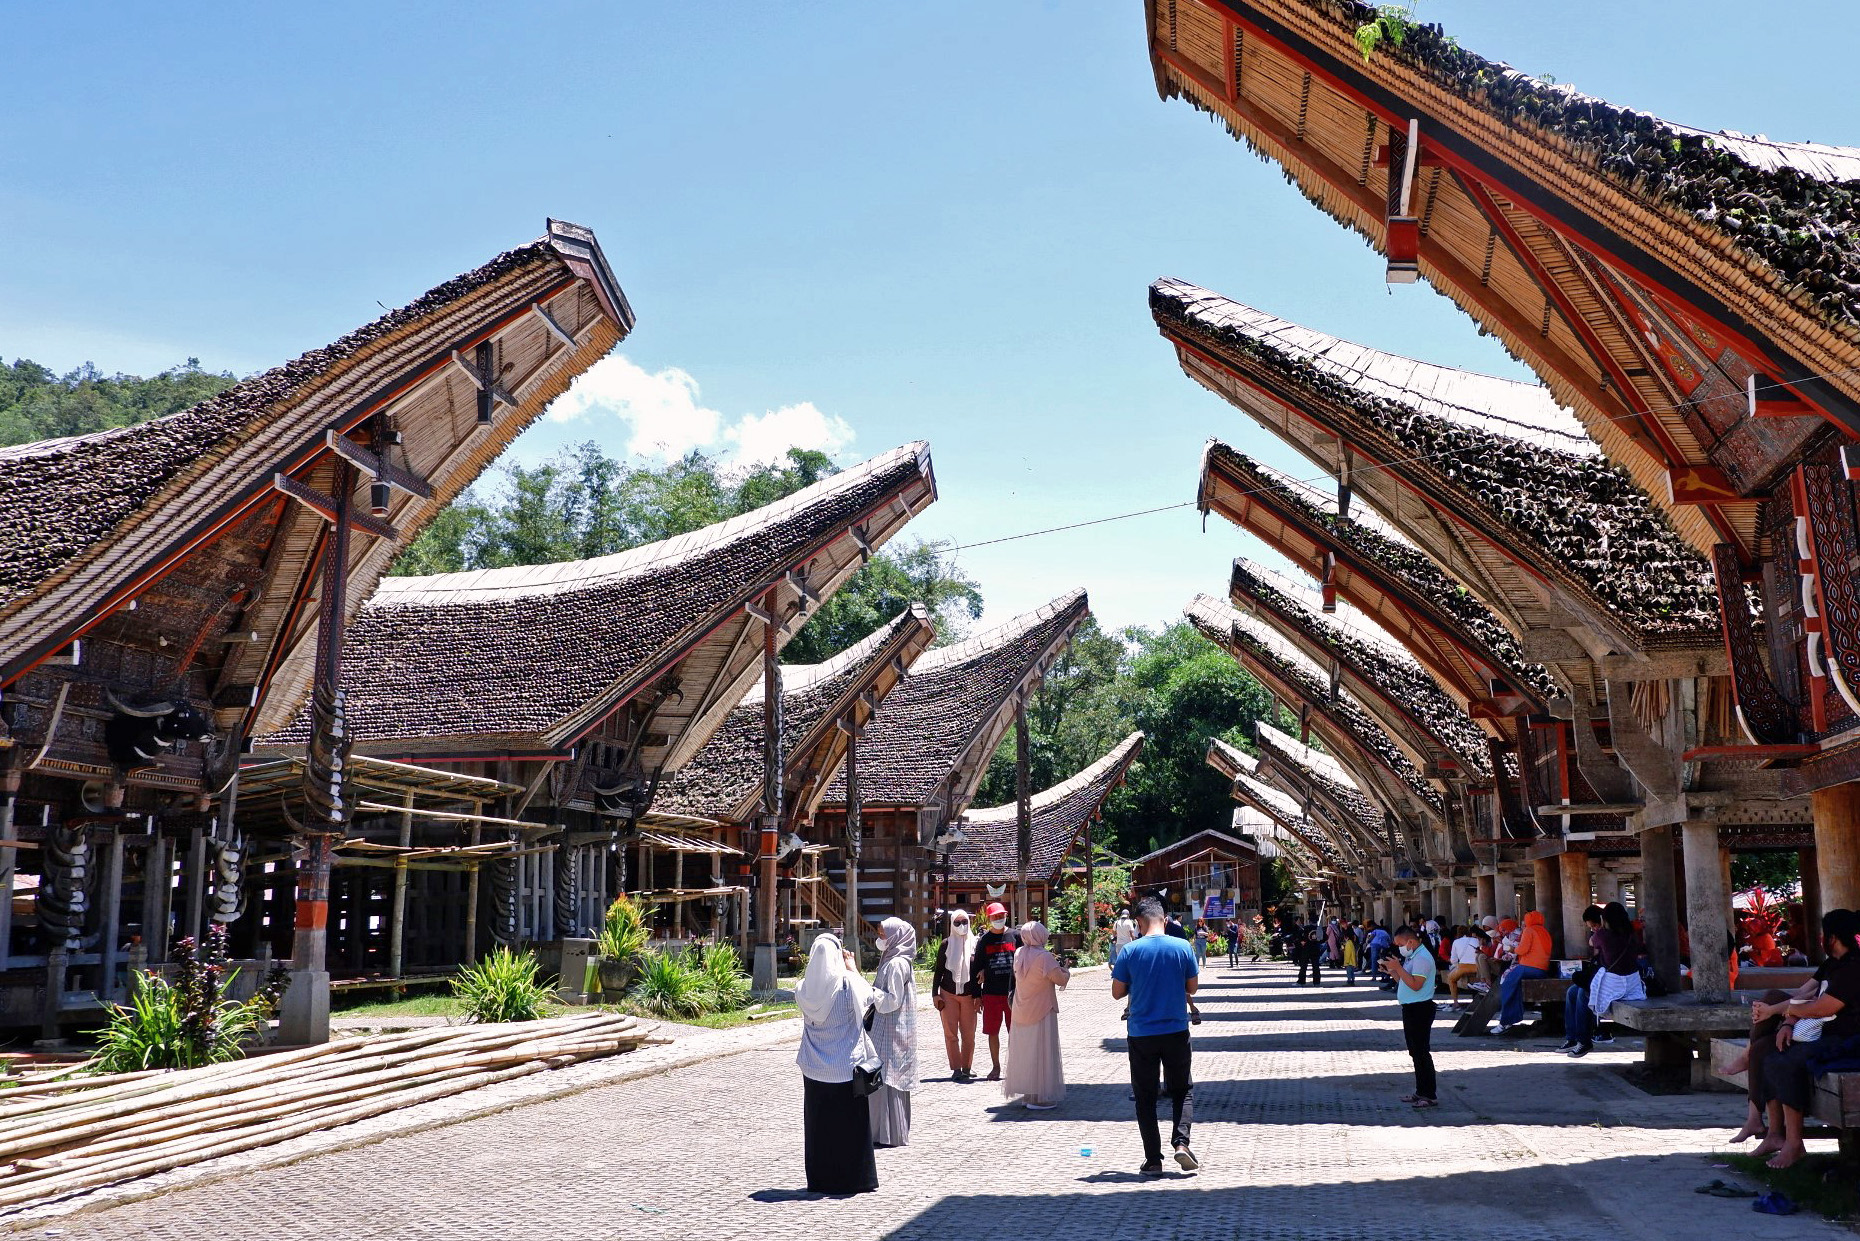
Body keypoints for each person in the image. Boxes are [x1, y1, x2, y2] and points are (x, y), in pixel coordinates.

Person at [1752, 909, 1860, 1168]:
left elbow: (1824, 1007)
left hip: (1846, 1039)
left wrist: (1786, 1011)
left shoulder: (1854, 966)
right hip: (1821, 1031)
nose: (1821, 938)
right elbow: (1804, 995)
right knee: (1771, 1052)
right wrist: (1787, 1021)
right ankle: (1775, 1133)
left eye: (1824, 934)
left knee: (1785, 1062)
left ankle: (1794, 1144)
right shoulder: (1831, 963)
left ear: (1832, 937)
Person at [1111, 896, 1199, 1175]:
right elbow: (1192, 988)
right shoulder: (1182, 947)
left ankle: (1153, 1160)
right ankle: (1181, 1144)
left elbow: (1117, 992)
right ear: (1164, 918)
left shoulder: (1130, 951)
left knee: (1145, 1096)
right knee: (1182, 1090)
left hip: (1141, 1033)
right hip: (1175, 1029)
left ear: (1138, 922)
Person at [794, 932, 879, 1195]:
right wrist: (852, 968)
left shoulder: (803, 989)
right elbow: (869, 999)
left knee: (820, 1128)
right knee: (851, 1127)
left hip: (814, 1067)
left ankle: (820, 1179)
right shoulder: (848, 985)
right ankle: (855, 1179)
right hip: (846, 1066)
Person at [1004, 921, 1071, 1109]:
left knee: (1026, 1053)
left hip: (1020, 1010)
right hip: (1042, 1010)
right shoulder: (1044, 957)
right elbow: (1059, 979)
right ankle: (1041, 1098)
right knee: (1042, 1053)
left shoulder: (1018, 953)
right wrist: (1065, 969)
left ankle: (1029, 1094)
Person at [1566, 902, 1644, 1057]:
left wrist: (1600, 929)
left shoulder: (1603, 935)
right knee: (1573, 991)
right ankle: (1574, 1039)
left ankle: (1583, 1041)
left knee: (1582, 993)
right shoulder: (1632, 934)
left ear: (1604, 919)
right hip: (1632, 987)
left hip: (1612, 987)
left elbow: (1591, 942)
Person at [867, 917, 918, 1146]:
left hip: (891, 1028)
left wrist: (868, 991)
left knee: (888, 1078)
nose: (880, 939)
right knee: (885, 1077)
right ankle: (883, 1132)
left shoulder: (897, 963)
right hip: (890, 1028)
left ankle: (888, 1133)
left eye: (883, 935)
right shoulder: (892, 959)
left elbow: (892, 1001)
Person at [1383, 924, 1439, 1109]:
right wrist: (1393, 972)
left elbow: (1416, 985)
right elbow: (1405, 982)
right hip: (1410, 1007)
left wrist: (1398, 967)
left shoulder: (1422, 958)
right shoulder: (1413, 956)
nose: (1399, 948)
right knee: (1415, 1052)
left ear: (1411, 942)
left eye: (1400, 944)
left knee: (1422, 1052)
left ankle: (1429, 1094)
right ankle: (1420, 1091)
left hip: (1420, 1008)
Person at [969, 901, 1017, 1082]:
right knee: (992, 1032)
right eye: (995, 916)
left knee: (1015, 1031)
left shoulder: (1015, 936)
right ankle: (996, 1066)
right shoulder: (984, 941)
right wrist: (976, 995)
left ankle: (1014, 1066)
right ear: (989, 918)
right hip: (991, 993)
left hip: (1013, 993)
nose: (999, 919)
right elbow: (976, 969)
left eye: (1001, 915)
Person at [931, 907, 980, 1081]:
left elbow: (981, 970)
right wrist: (935, 994)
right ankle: (956, 1068)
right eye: (957, 923)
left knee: (969, 1034)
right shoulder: (946, 944)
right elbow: (938, 971)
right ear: (952, 924)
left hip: (969, 995)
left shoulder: (976, 943)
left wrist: (979, 996)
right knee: (950, 1033)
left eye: (964, 922)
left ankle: (967, 1067)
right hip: (947, 993)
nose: (961, 926)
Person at [1496, 910, 1553, 1033]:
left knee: (1507, 984)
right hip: (1542, 968)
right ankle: (1511, 1016)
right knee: (1514, 986)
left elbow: (1522, 949)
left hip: (1529, 966)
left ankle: (1505, 1021)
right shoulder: (1544, 931)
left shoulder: (1529, 930)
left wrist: (1512, 949)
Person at [1445, 924, 1483, 1006]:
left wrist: (1456, 965)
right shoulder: (1476, 940)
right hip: (1477, 967)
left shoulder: (1456, 942)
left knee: (1451, 979)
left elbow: (1453, 960)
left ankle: (1455, 1002)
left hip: (1463, 967)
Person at [1296, 918, 1325, 987]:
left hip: (1306, 949)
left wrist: (1302, 941)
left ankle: (1301, 981)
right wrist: (1318, 942)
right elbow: (1324, 938)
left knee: (1303, 966)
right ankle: (1316, 982)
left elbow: (1299, 935)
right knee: (1316, 966)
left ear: (1309, 921)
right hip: (1315, 949)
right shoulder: (1319, 929)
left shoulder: (1305, 928)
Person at [1340, 922, 1360, 986]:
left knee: (1349, 972)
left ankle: (1349, 981)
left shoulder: (1348, 944)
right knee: (1352, 972)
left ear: (1347, 937)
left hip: (1349, 962)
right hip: (1352, 961)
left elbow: (1348, 954)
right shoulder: (1351, 943)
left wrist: (1346, 962)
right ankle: (1352, 981)